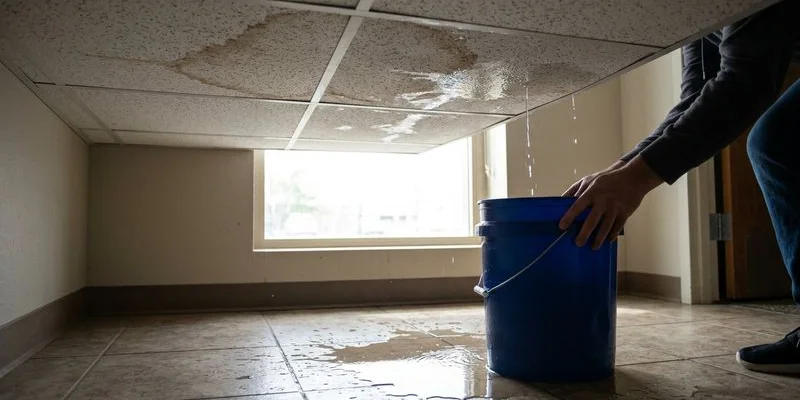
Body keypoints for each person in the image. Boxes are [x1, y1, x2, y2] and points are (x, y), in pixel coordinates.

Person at [558, 0, 800, 374]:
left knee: (778, 139)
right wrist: (620, 171)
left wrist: (635, 180)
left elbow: (746, 82)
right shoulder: (689, 12)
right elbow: (696, 94)